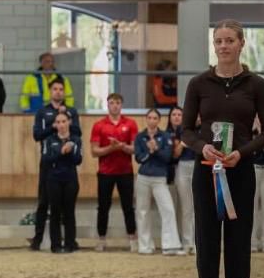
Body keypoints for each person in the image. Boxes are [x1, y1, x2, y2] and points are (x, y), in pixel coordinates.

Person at [181, 20, 264, 278]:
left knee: (238, 240)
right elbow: (185, 130)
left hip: (240, 170)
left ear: (241, 44)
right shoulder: (198, 84)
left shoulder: (256, 85)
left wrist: (242, 152)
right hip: (207, 171)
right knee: (207, 239)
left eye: (229, 41)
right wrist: (202, 147)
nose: (223, 46)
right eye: (219, 41)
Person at [29, 78, 80, 251]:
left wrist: (66, 118)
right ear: (50, 92)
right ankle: (37, 239)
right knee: (44, 201)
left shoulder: (71, 111)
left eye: (61, 89)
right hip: (48, 160)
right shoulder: (42, 112)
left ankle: (70, 241)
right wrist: (55, 125)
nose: (58, 92)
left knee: (67, 205)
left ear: (64, 92)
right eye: (55, 89)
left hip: (68, 163)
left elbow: (77, 133)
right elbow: (37, 135)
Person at [90, 92, 138, 252]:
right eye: (112, 103)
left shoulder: (130, 123)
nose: (115, 106)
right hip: (105, 172)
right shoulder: (99, 125)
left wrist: (122, 146)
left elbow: (135, 149)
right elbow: (94, 151)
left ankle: (132, 238)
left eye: (117, 103)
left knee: (128, 206)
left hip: (125, 171)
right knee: (103, 207)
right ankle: (101, 239)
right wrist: (111, 148)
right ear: (108, 105)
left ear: (121, 105)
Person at [133, 108, 183, 256]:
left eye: (155, 118)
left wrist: (156, 149)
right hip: (143, 177)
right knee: (142, 211)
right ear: (146, 119)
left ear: (159, 120)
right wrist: (150, 152)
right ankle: (145, 246)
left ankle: (170, 245)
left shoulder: (165, 136)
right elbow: (139, 158)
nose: (152, 120)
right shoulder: (140, 137)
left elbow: (167, 158)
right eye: (150, 118)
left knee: (168, 209)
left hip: (160, 178)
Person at [41, 110, 82, 253]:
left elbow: (78, 160)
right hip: (54, 180)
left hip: (70, 179)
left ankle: (70, 243)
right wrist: (61, 152)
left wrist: (69, 152)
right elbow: (46, 160)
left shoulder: (76, 140)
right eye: (58, 122)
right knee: (55, 212)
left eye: (64, 121)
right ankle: (56, 244)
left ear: (69, 122)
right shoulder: (49, 140)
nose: (61, 125)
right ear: (55, 124)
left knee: (69, 211)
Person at [167, 106, 196, 255]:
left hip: (197, 166)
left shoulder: (202, 129)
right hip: (182, 167)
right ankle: (187, 243)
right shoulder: (181, 129)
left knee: (197, 208)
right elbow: (176, 153)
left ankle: (197, 243)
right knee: (186, 209)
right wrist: (184, 144)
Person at [250, 119, 264, 254]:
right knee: (253, 208)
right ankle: (253, 242)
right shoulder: (251, 133)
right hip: (255, 169)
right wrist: (257, 136)